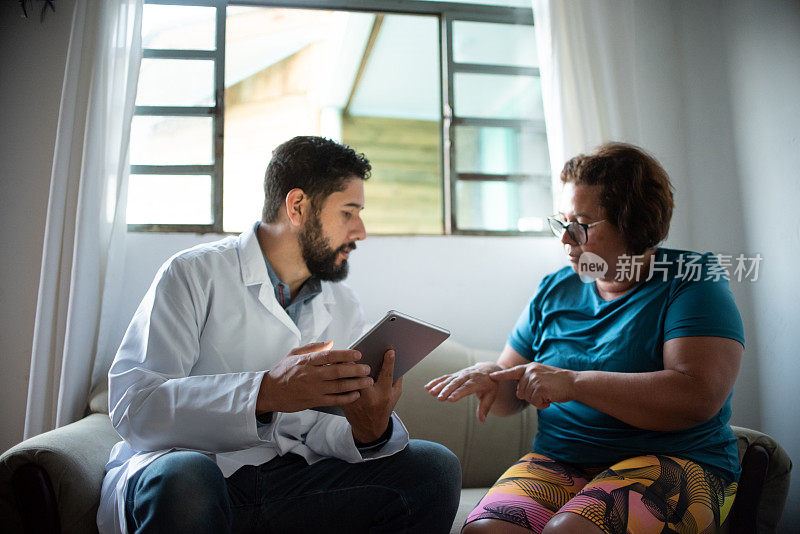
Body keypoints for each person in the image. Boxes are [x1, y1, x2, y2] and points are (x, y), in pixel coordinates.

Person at [97, 136, 461, 534]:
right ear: (298, 206)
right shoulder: (192, 274)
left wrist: (368, 430)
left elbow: (320, 430)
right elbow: (137, 406)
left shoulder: (342, 305)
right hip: (192, 478)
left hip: (286, 486)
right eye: (348, 212)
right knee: (188, 477)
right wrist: (267, 391)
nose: (360, 231)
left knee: (434, 469)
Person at [426, 143, 743, 534]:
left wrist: (573, 383)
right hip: (562, 461)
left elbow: (698, 397)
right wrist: (492, 379)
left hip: (677, 460)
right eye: (561, 222)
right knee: (486, 530)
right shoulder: (554, 289)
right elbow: (512, 393)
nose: (565, 239)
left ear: (633, 222)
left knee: (571, 531)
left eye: (579, 224)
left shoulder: (692, 281)